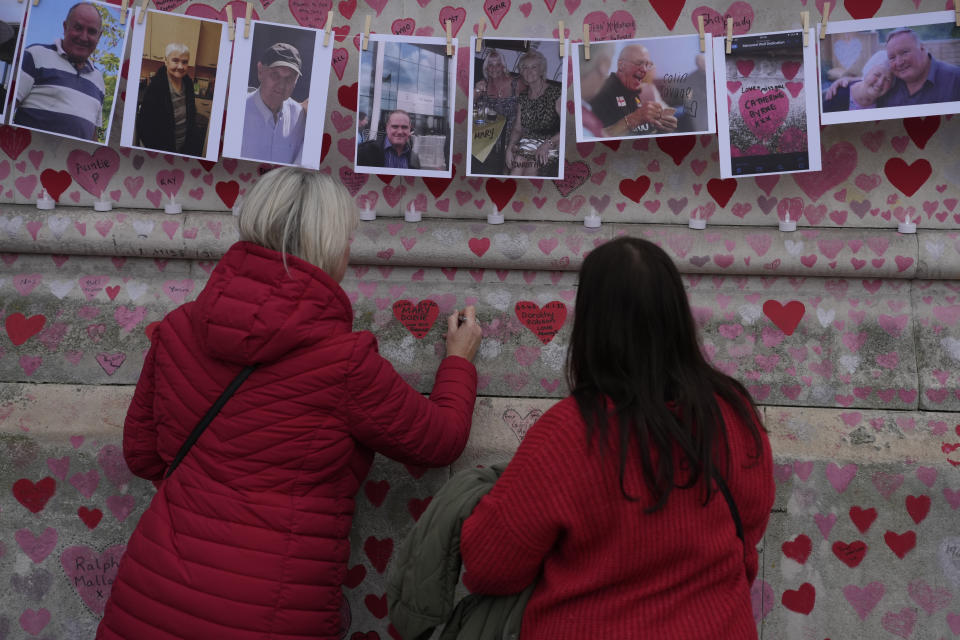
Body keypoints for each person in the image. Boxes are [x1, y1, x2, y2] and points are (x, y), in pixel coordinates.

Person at [96, 168, 483, 640]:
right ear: (330, 246)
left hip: (150, 599)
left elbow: (141, 454)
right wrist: (459, 360)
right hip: (272, 612)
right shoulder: (344, 361)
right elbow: (439, 441)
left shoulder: (177, 328)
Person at [460, 237, 775, 640]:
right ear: (677, 313)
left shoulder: (569, 433)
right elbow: (746, 535)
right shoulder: (735, 414)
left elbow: (489, 564)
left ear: (591, 324)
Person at [14, 2, 104, 140]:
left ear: (99, 36)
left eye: (91, 31)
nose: (83, 37)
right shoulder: (34, 55)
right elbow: (7, 109)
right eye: (78, 27)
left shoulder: (99, 80)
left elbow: (93, 134)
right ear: (65, 27)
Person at [588, 44, 679, 138]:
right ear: (621, 65)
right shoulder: (602, 91)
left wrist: (661, 129)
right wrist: (635, 118)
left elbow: (640, 132)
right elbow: (596, 137)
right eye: (639, 63)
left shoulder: (633, 90)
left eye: (647, 65)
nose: (644, 69)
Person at [241, 42, 307, 164]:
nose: (282, 85)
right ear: (260, 71)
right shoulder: (238, 110)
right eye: (275, 75)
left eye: (289, 78)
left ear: (296, 80)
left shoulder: (301, 116)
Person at [504, 49, 562, 177]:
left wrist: (548, 144)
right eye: (524, 67)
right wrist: (509, 147)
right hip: (528, 144)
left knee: (532, 165)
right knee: (518, 161)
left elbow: (568, 128)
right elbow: (518, 128)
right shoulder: (523, 97)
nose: (528, 71)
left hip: (551, 144)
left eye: (533, 67)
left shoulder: (557, 94)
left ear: (541, 70)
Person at [136, 43, 202, 155]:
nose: (180, 66)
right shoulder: (156, 86)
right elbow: (144, 124)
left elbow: (191, 113)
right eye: (175, 61)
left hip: (183, 145)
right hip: (162, 147)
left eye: (184, 62)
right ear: (166, 61)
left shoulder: (188, 83)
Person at [877, 28, 960, 107]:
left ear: (922, 48)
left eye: (904, 52)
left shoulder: (955, 79)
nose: (899, 62)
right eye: (892, 58)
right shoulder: (886, 84)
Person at [471, 49, 518, 175]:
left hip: (512, 135)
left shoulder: (515, 84)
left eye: (498, 64)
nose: (494, 68)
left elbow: (525, 110)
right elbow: (467, 106)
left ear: (503, 67)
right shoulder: (483, 85)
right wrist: (476, 90)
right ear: (486, 68)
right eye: (490, 65)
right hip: (489, 138)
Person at [823, 50, 893, 112]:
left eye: (887, 79)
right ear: (866, 73)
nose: (880, 83)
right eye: (877, 75)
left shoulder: (884, 101)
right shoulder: (838, 95)